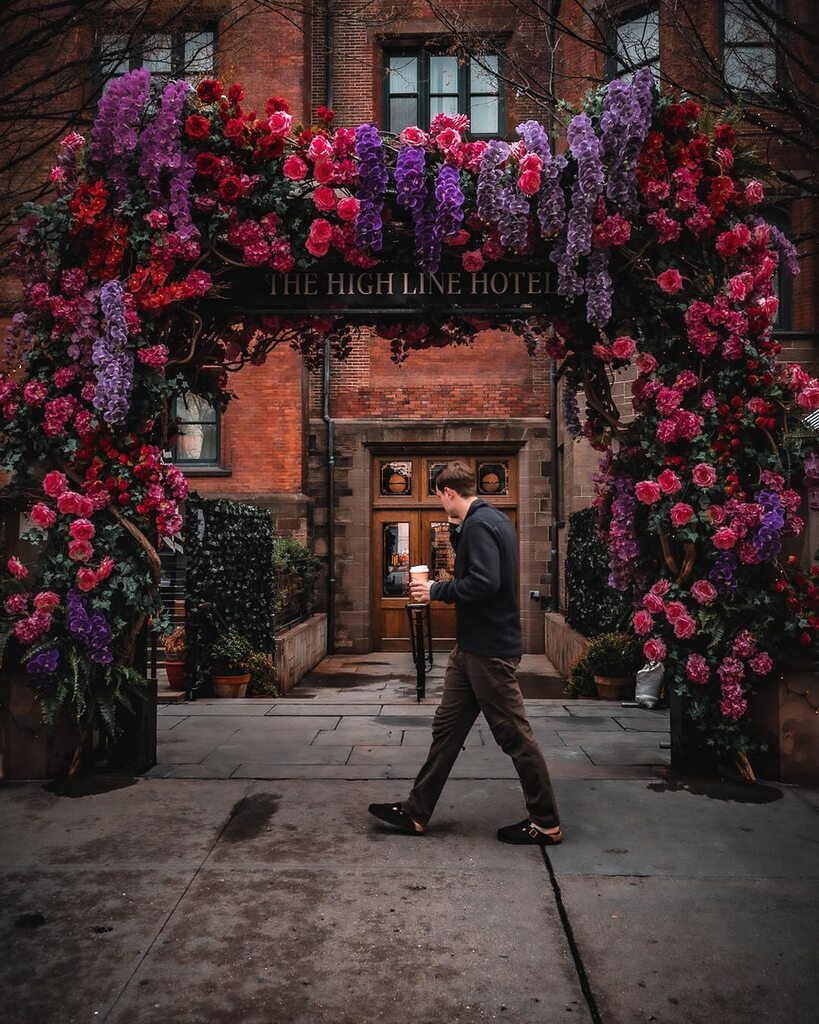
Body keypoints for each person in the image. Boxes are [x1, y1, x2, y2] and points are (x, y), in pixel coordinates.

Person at [368, 460, 562, 846]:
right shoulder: (489, 521)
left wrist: (435, 591)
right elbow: (479, 569)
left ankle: (545, 822)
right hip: (471, 648)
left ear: (449, 493)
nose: (441, 505)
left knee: (514, 736)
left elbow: (484, 583)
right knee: (447, 729)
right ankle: (416, 811)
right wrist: (457, 532)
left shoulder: (479, 525)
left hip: (489, 651)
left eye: (440, 497)